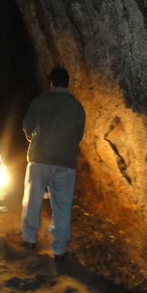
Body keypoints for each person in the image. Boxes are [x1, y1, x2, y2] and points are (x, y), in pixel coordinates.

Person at [20, 67, 86, 262]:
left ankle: (29, 238)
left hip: (40, 158)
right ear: (67, 83)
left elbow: (28, 125)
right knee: (62, 206)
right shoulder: (76, 106)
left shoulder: (41, 101)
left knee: (32, 199)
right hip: (66, 161)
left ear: (51, 82)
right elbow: (78, 134)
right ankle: (59, 249)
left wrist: (34, 139)